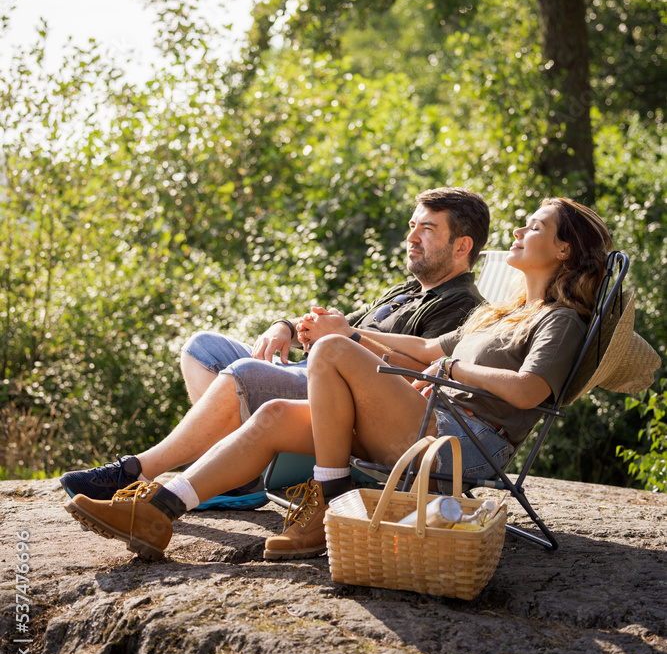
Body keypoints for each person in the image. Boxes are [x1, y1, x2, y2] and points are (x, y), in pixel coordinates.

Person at [63, 198, 613, 563]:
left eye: (535, 226)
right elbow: (421, 350)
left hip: (462, 441)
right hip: (424, 423)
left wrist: (446, 368)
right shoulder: (499, 313)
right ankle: (159, 511)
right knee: (276, 415)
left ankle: (327, 496)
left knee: (329, 350)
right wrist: (354, 333)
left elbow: (529, 392)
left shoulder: (559, 321)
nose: (520, 230)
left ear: (563, 250)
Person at [59, 187, 489, 506]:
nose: (412, 236)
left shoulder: (462, 307)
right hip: (315, 371)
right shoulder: (404, 291)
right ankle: (237, 478)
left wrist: (342, 338)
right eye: (413, 225)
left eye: (428, 229)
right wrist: (289, 326)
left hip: (345, 399)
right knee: (203, 347)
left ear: (461, 246)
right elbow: (341, 329)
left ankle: (136, 471)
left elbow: (406, 374)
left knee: (244, 375)